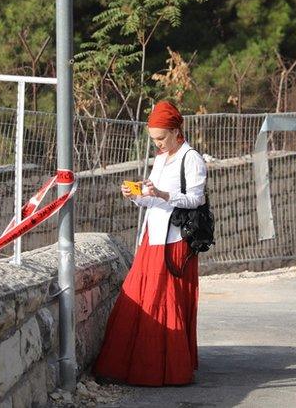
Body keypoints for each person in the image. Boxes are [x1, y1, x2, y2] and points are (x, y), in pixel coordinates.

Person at [93, 100, 207, 386]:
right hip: (152, 235)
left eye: (160, 138)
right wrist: (136, 195)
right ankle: (130, 366)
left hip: (174, 240)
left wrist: (165, 194)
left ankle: (165, 370)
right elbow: (153, 197)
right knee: (140, 295)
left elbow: (196, 199)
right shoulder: (160, 158)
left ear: (175, 130)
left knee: (164, 300)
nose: (157, 144)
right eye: (153, 139)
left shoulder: (191, 158)